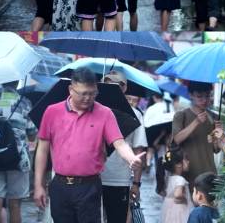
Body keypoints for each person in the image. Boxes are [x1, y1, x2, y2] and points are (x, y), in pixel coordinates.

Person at [33, 68, 145, 223]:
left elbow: (119, 142)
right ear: (71, 90)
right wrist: (38, 184)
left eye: (92, 93)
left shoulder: (105, 113)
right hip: (60, 185)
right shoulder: (52, 112)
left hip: (89, 186)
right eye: (83, 93)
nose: (88, 98)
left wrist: (131, 158)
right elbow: (42, 150)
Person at [100, 71, 147, 223]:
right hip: (93, 178)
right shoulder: (93, 111)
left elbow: (139, 150)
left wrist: (136, 183)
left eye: (117, 85)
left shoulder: (135, 115)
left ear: (124, 88)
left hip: (119, 179)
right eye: (107, 84)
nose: (112, 88)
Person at [0, 82, 37, 223]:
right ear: (17, 82)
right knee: (15, 205)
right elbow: (32, 134)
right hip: (19, 158)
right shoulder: (24, 102)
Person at [171, 81, 221, 186]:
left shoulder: (213, 117)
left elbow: (216, 149)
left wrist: (219, 136)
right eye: (199, 97)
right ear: (190, 95)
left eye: (208, 96)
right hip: (188, 173)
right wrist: (196, 122)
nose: (204, 100)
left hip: (209, 173)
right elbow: (176, 140)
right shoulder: (181, 115)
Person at [160, 145, 192, 223]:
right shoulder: (180, 179)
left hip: (169, 209)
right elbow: (178, 194)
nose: (189, 161)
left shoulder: (169, 177)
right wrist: (185, 199)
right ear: (178, 164)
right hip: (179, 210)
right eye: (186, 159)